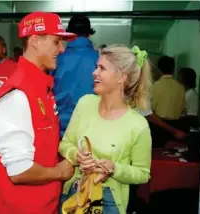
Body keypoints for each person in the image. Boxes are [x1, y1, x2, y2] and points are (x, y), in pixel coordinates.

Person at [0, 12, 77, 214]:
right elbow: (19, 170)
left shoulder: (41, 88)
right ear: (35, 40)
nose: (61, 49)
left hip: (44, 205)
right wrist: (59, 172)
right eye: (56, 42)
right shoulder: (18, 94)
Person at [59, 45, 152, 214]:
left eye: (102, 68)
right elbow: (65, 144)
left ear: (121, 77)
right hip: (74, 194)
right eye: (97, 67)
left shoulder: (138, 125)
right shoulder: (85, 103)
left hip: (109, 201)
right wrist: (77, 156)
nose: (94, 72)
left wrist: (114, 168)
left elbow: (142, 173)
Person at [51, 15, 99, 139]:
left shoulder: (55, 59)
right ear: (89, 35)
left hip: (59, 127)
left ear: (68, 35)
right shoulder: (100, 60)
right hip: (91, 127)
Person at [151, 56, 185, 120]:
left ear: (159, 69)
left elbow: (150, 110)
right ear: (173, 69)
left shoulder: (155, 86)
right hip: (175, 126)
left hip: (159, 126)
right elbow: (183, 110)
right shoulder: (180, 87)